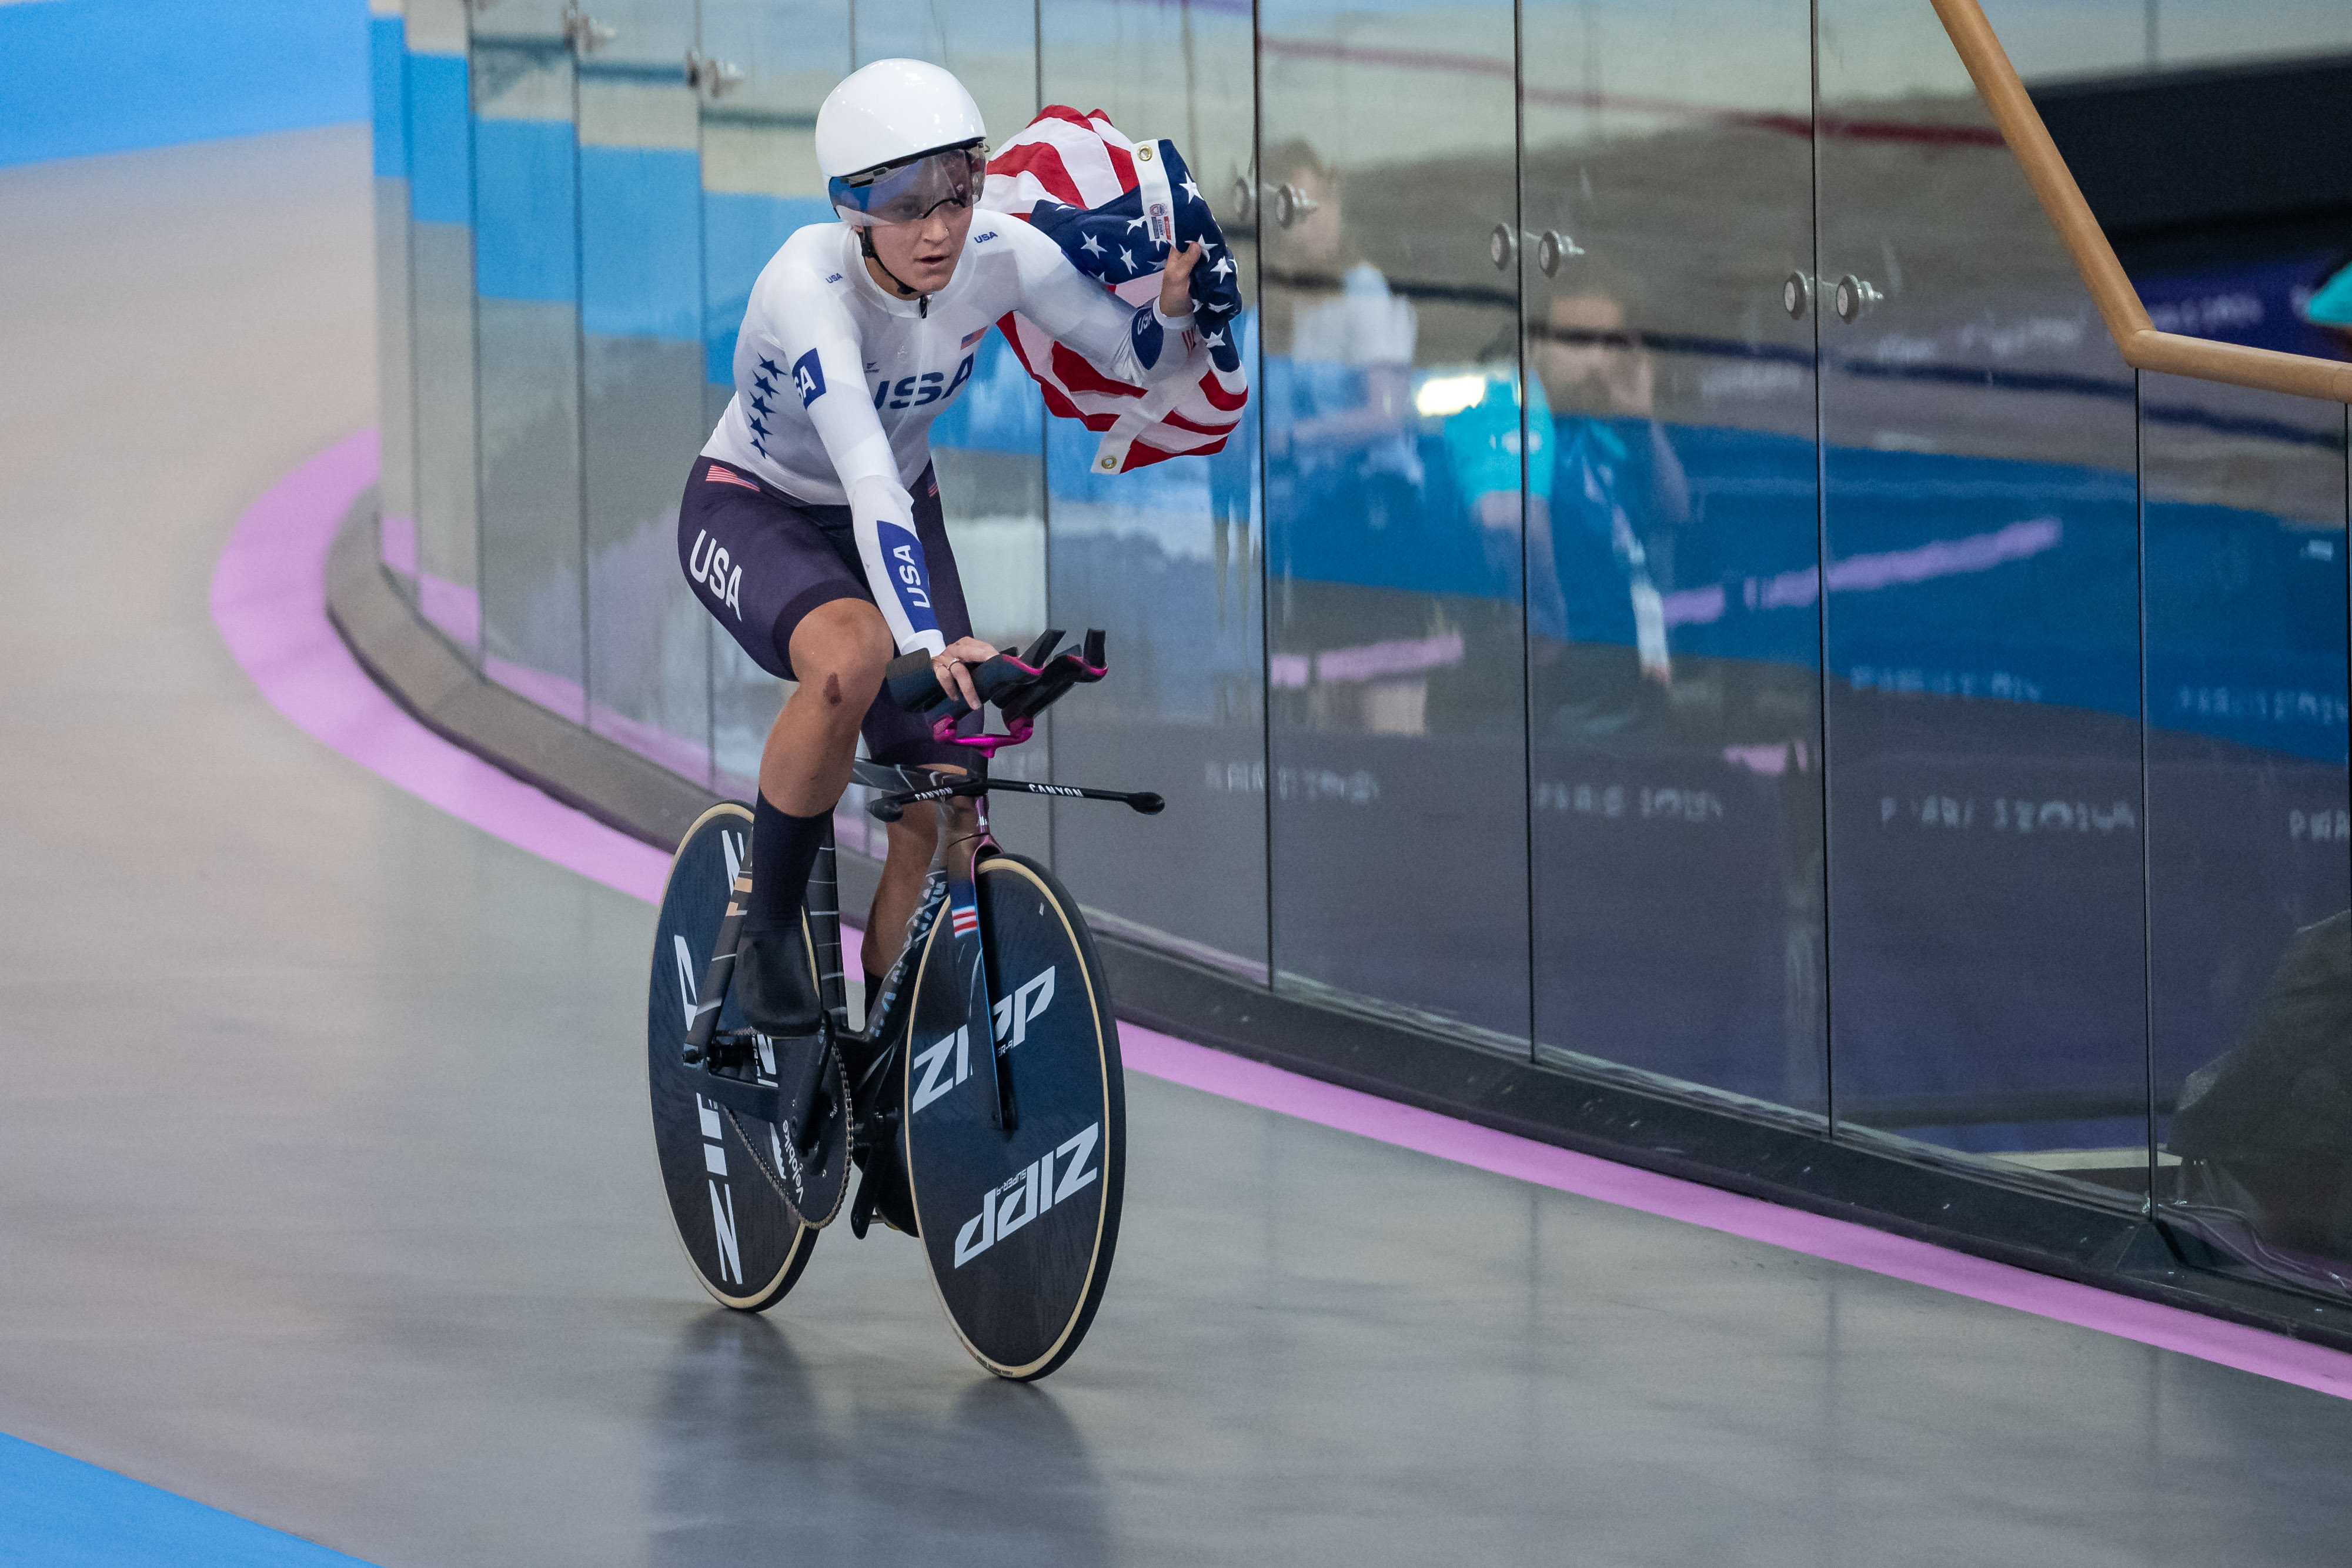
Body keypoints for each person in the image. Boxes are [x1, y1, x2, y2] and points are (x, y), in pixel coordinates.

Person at [677, 58, 1204, 1047]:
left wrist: (1172, 311)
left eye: (959, 193)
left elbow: (1134, 358)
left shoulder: (997, 250)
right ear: (850, 207)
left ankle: (895, 1075)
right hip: (758, 508)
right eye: (906, 206)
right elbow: (867, 473)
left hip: (897, 513)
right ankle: (770, 932)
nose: (939, 230)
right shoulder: (806, 289)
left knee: (944, 785)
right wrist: (927, 641)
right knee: (853, 657)